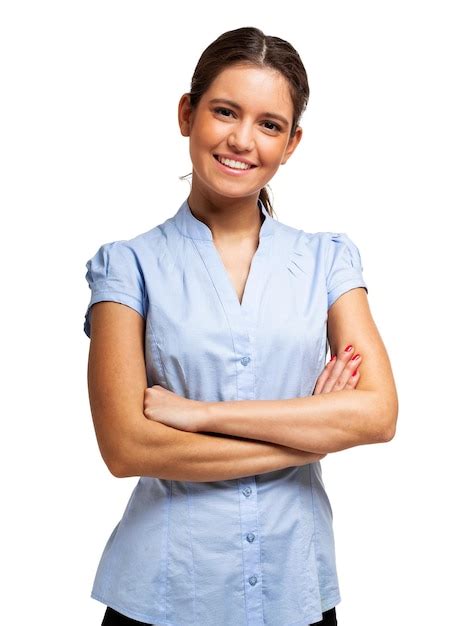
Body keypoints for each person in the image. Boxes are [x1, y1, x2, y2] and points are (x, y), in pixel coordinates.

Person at [84, 26, 398, 626]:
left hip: (295, 589)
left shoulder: (328, 260)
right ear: (187, 113)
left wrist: (200, 416)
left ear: (292, 141)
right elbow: (126, 447)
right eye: (225, 112)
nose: (242, 140)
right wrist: (313, 429)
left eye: (269, 124)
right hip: (163, 595)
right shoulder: (127, 266)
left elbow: (378, 415)